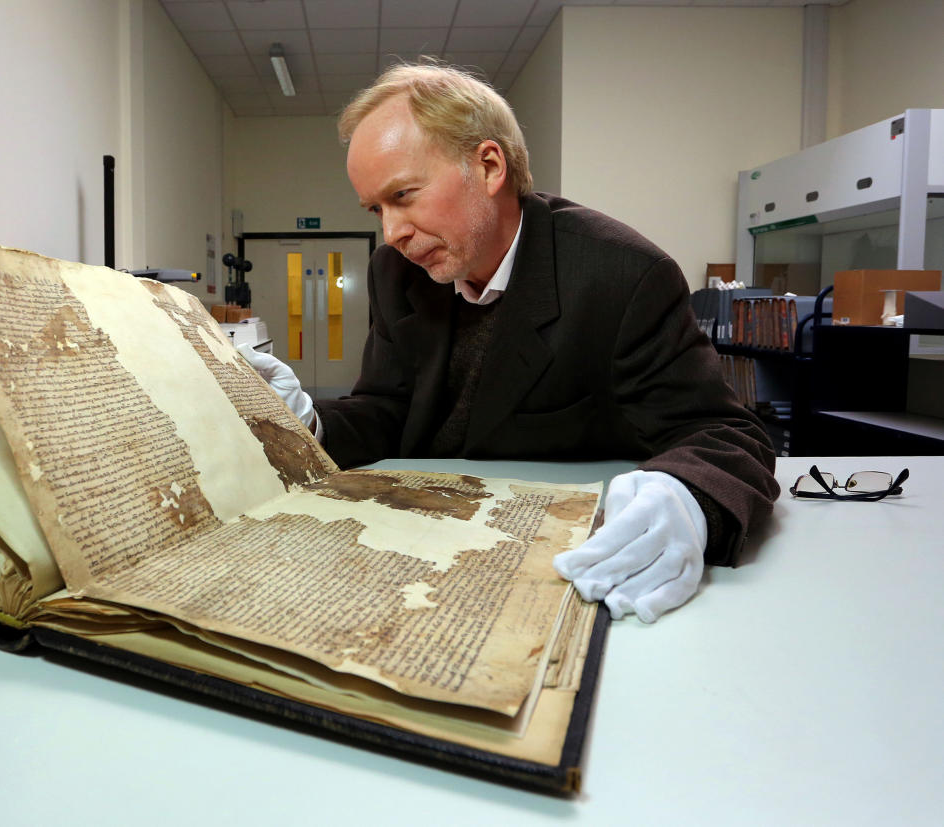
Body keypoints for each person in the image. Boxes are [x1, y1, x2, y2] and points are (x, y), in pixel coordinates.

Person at [244, 63, 779, 623]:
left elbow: (725, 433)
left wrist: (689, 495)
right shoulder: (393, 273)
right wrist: (308, 422)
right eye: (377, 209)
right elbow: (386, 411)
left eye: (404, 195)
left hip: (561, 568)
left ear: (489, 165)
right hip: (419, 547)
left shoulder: (621, 273)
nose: (392, 232)